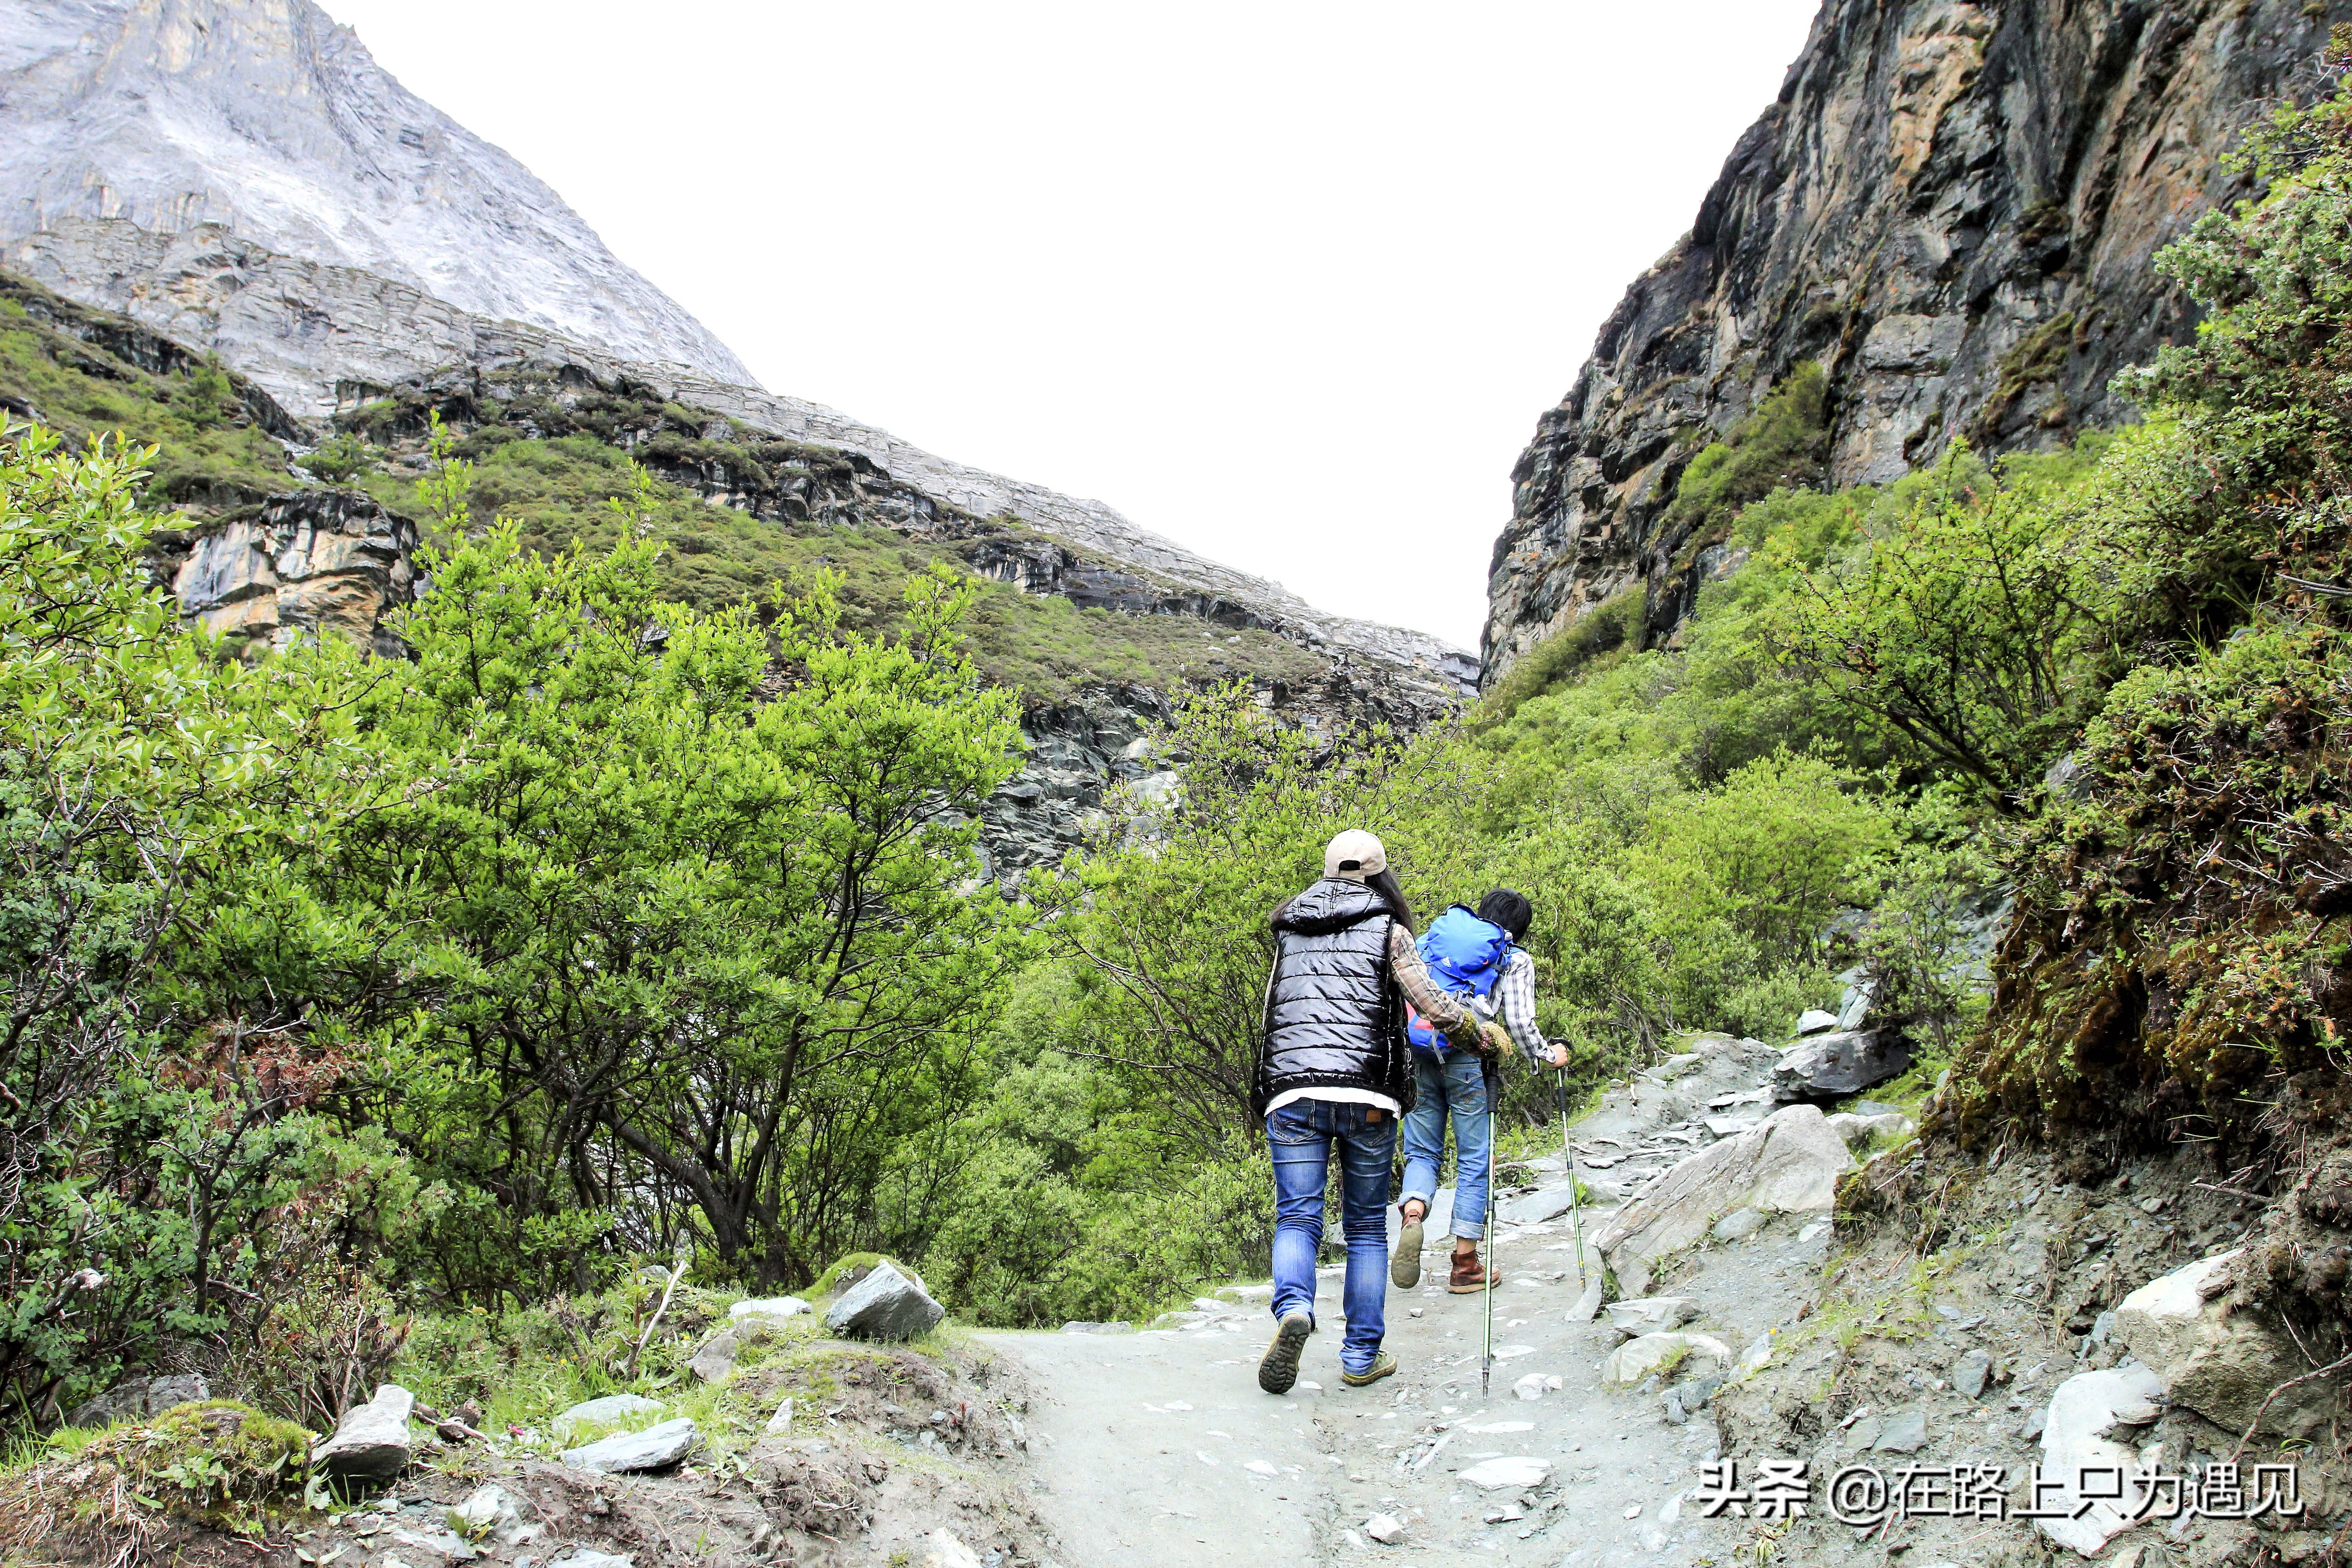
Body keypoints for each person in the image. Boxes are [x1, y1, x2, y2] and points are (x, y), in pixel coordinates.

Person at [1252, 829, 1511, 1395]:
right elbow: (1431, 1004)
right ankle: (1361, 1355)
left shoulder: (1288, 930)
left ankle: (1294, 1309)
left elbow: (1273, 1013)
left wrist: (1264, 1093)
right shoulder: (1388, 930)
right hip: (1368, 1096)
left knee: (1297, 1216)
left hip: (1292, 1091)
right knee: (1366, 1228)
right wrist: (1481, 1035)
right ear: (1379, 874)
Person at [1392, 887, 1568, 1294]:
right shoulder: (1514, 957)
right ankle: (1466, 1264)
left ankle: (1414, 1212)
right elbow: (1521, 1023)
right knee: (1474, 1156)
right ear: (1519, 931)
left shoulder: (1436, 938)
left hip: (1417, 1051)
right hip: (1469, 1057)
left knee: (1422, 1151)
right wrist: (1544, 1056)